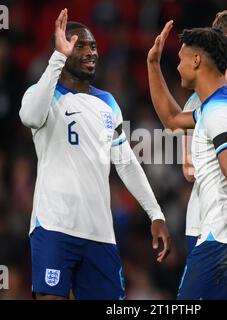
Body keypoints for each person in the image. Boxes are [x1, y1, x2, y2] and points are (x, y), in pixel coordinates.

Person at [19, 8, 170, 300]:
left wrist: (155, 214)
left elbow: (126, 162)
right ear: (62, 53)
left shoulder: (107, 102)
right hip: (53, 225)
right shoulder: (43, 96)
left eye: (93, 46)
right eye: (81, 46)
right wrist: (57, 58)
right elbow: (30, 116)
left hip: (100, 233)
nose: (91, 52)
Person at [147, 21, 227, 299]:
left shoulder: (218, 110)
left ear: (196, 60)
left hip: (225, 237)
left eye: (181, 59)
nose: (178, 67)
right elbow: (172, 120)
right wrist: (153, 65)